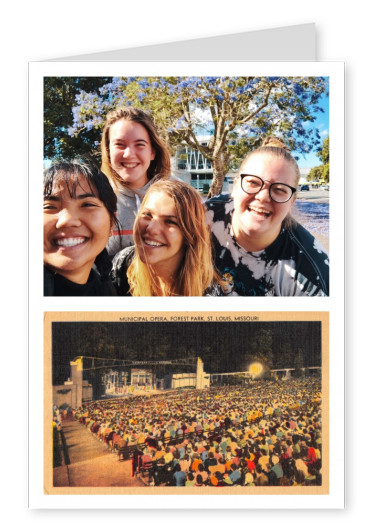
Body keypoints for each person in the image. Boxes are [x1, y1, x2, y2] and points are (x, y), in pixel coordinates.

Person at [206, 137, 329, 296]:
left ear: (292, 201)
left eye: (279, 189)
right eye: (253, 182)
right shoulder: (202, 217)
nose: (263, 197)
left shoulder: (311, 274)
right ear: (235, 186)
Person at [111, 180, 224, 296]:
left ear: (190, 234)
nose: (151, 229)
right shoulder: (122, 264)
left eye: (170, 222)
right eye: (147, 215)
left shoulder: (209, 293)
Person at [101, 106, 171, 257]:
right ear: (108, 151)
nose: (129, 154)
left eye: (139, 144)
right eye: (119, 144)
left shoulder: (176, 197)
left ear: (152, 152)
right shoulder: (96, 200)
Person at [43, 158, 118, 296]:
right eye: (49, 207)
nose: (67, 221)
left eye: (87, 205)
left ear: (112, 223)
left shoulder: (106, 292)